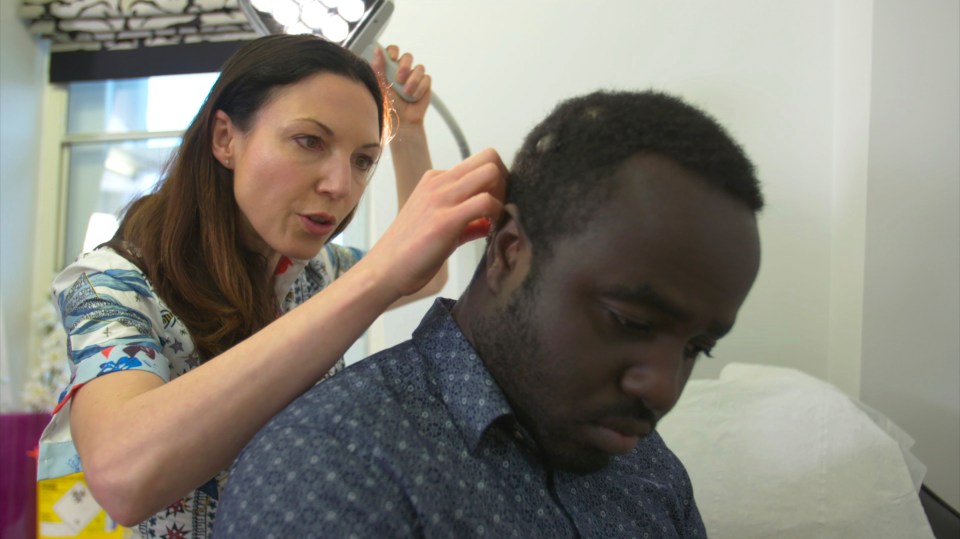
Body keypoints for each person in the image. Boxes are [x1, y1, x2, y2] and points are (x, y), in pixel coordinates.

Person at [217, 89, 765, 537]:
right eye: (631, 321)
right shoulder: (330, 474)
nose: (664, 390)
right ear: (508, 251)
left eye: (696, 347)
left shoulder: (648, 469)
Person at [36, 34, 507, 537]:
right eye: (310, 141)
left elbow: (424, 272)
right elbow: (122, 477)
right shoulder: (112, 285)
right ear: (225, 139)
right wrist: (376, 275)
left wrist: (409, 132)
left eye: (363, 160)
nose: (340, 186)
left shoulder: (312, 273)